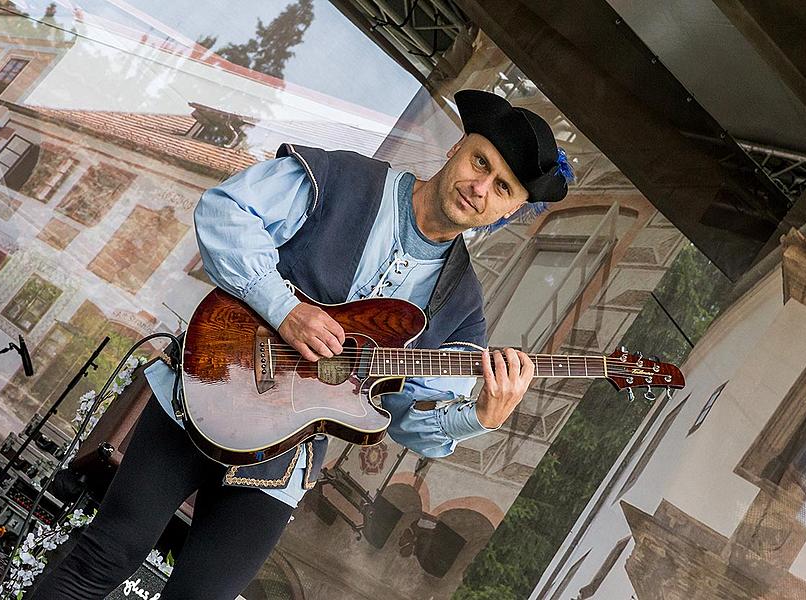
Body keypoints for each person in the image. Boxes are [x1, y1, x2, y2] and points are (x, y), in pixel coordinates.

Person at [29, 90, 572, 599]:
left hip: (284, 460)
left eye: (502, 188)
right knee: (109, 551)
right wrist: (284, 309)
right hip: (208, 386)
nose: (481, 188)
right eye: (481, 163)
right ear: (457, 148)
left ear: (508, 213)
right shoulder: (341, 178)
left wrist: (477, 416)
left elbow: (405, 417)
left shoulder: (462, 307)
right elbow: (225, 212)